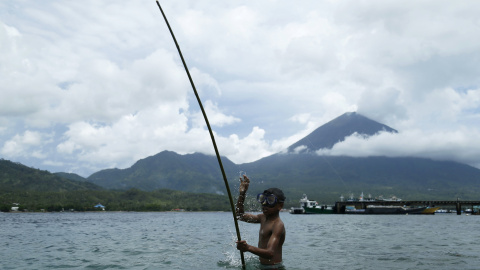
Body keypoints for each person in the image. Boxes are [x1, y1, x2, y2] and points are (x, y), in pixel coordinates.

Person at [236, 175, 286, 267]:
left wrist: (247, 248)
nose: (264, 204)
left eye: (270, 200)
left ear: (280, 206)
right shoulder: (262, 218)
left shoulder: (278, 225)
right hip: (262, 266)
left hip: (274, 267)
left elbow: (270, 253)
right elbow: (239, 216)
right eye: (262, 199)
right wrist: (242, 193)